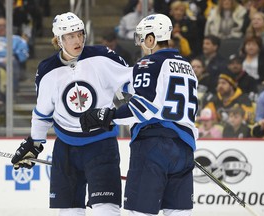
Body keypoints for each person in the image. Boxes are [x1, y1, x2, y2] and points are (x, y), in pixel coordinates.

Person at [10, 12, 132, 216]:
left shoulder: (102, 56)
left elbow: (133, 82)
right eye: (70, 36)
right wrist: (35, 144)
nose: (77, 40)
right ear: (59, 40)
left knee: (107, 210)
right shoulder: (47, 70)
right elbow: (42, 113)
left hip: (101, 145)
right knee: (68, 211)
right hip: (66, 148)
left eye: (80, 34)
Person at [80, 14, 198, 216]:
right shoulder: (187, 67)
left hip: (154, 146)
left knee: (140, 212)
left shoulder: (149, 63)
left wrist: (106, 116)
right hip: (184, 149)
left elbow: (143, 107)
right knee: (178, 213)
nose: (142, 45)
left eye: (143, 39)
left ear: (151, 39)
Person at [0, 16, 29, 90]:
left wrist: (14, 57)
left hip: (8, 61)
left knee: (12, 64)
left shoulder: (16, 39)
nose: (1, 28)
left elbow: (24, 53)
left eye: (4, 26)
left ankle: (13, 92)